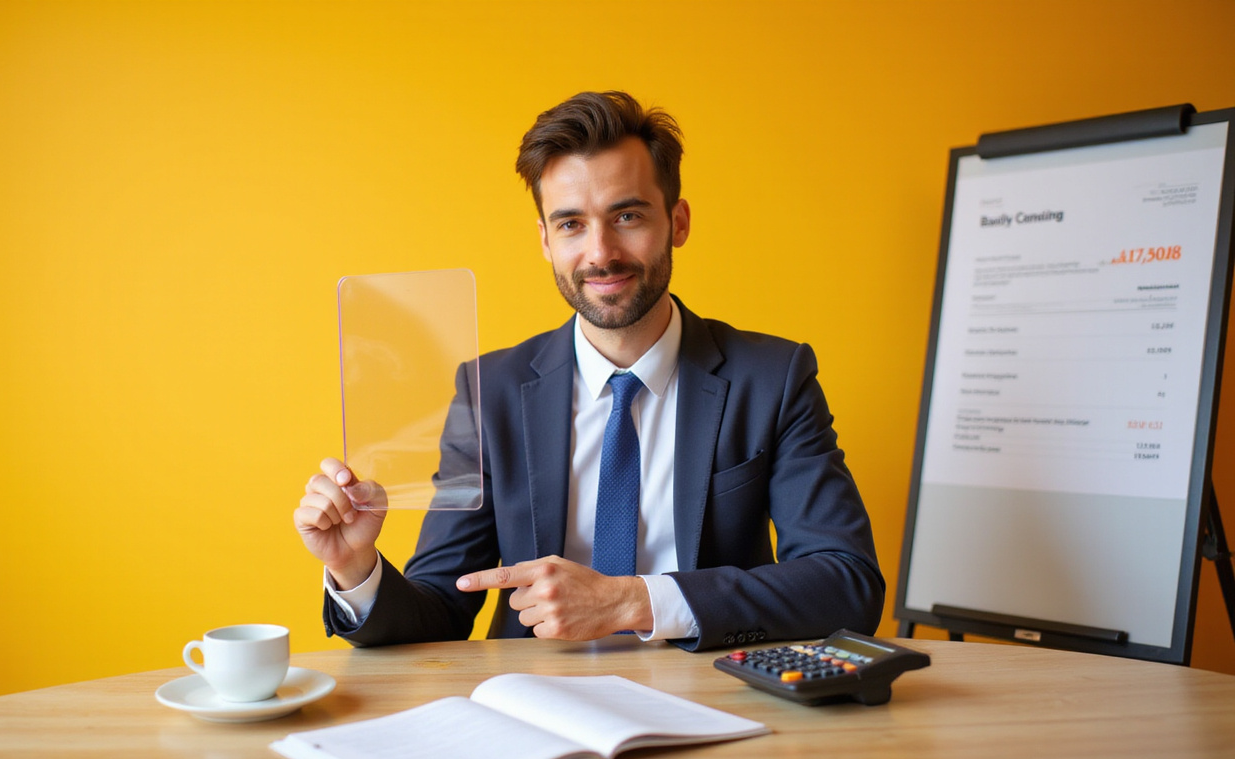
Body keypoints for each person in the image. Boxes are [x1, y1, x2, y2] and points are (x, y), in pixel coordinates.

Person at [293, 91, 884, 651]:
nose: (600, 252)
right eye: (571, 224)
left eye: (627, 216)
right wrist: (355, 568)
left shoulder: (773, 379)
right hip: (536, 710)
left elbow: (847, 584)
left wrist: (633, 601)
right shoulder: (489, 392)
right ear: (546, 240)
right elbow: (439, 610)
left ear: (677, 222)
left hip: (712, 701)